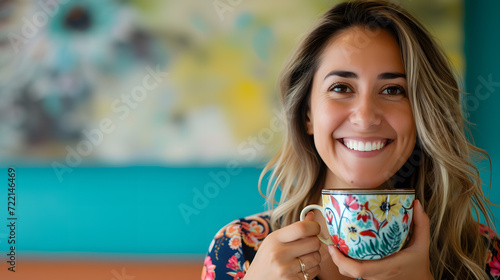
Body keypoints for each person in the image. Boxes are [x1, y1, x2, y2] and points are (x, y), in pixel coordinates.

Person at [201, 1, 500, 279]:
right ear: (307, 115)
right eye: (341, 87)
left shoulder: (481, 254)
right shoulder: (239, 249)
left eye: (393, 90)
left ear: (422, 114)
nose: (366, 116)